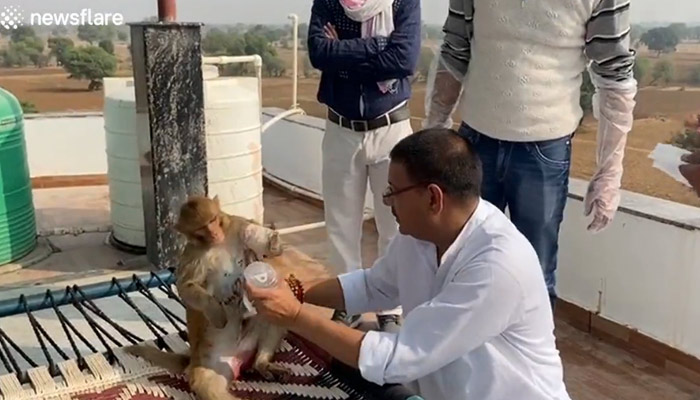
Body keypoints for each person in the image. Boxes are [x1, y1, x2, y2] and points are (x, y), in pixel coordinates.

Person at [245, 128, 572, 400]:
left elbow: (398, 358)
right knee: (345, 363)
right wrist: (293, 291)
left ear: (433, 198)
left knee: (362, 362)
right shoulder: (420, 235)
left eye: (393, 191)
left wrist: (296, 316)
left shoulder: (498, 267)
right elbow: (375, 286)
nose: (387, 202)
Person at [423, 0, 638, 308]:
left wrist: (610, 172)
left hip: (545, 151)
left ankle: (529, 356)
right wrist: (435, 132)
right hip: (475, 143)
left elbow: (615, 73)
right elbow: (455, 51)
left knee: (534, 273)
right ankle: (465, 354)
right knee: (462, 263)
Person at [306, 0, 421, 331]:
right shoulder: (329, 2)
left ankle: (390, 308)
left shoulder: (402, 1)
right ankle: (350, 304)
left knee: (396, 226)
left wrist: (342, 53)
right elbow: (319, 53)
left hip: (392, 130)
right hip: (341, 130)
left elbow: (404, 58)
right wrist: (378, 46)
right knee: (341, 225)